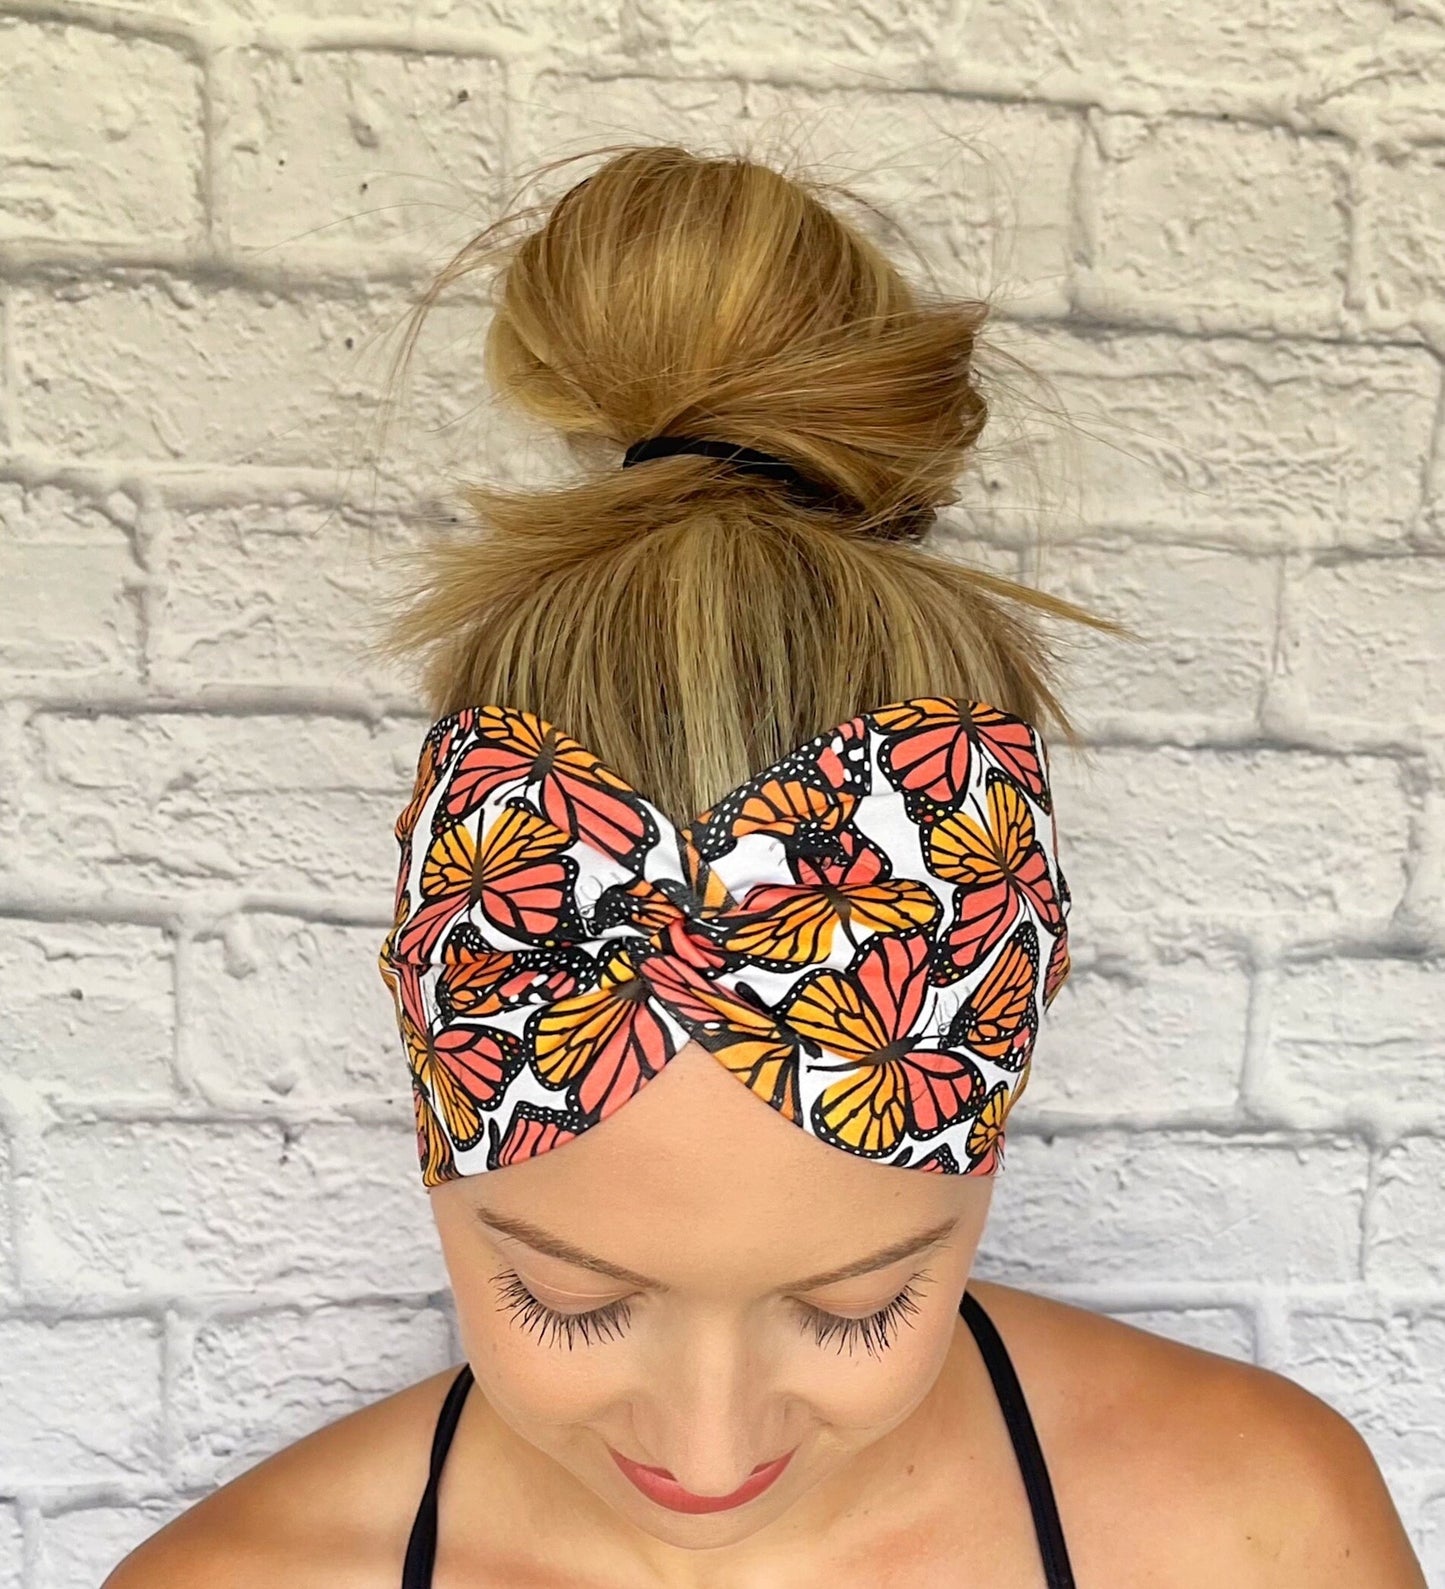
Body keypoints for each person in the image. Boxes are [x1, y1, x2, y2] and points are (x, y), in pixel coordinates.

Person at [106, 144, 1425, 1588]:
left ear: (989, 1140)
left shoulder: (1248, 1535)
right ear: (429, 1124)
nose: (712, 1448)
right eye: (564, 1298)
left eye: (863, 1304)